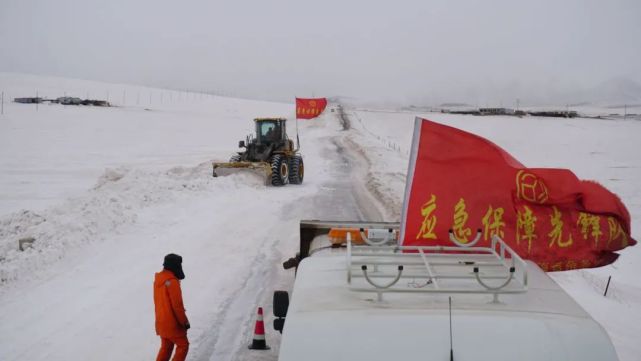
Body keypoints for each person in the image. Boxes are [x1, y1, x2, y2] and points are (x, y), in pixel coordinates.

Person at [154, 254, 190, 361]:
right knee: (183, 345)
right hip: (172, 324)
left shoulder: (158, 280)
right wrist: (184, 322)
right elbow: (177, 306)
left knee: (166, 347)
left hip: (161, 322)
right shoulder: (172, 282)